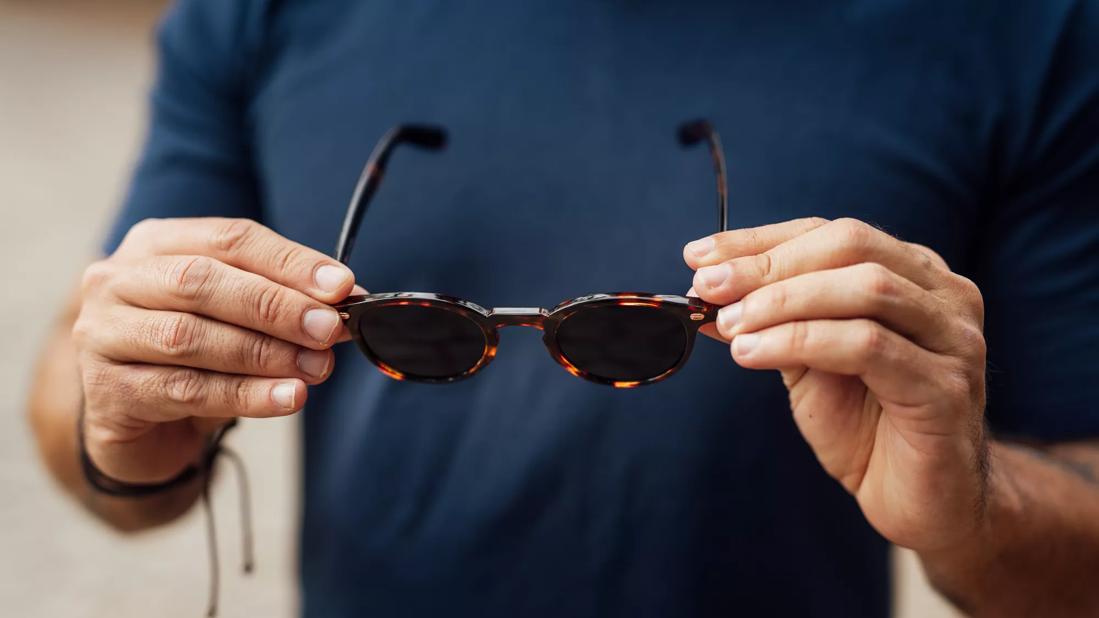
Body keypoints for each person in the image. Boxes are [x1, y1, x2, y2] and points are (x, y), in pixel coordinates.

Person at [27, 1, 1099, 616]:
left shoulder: (1024, 27)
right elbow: (105, 442)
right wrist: (121, 410)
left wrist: (976, 507)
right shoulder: (258, 12)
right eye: (421, 327)